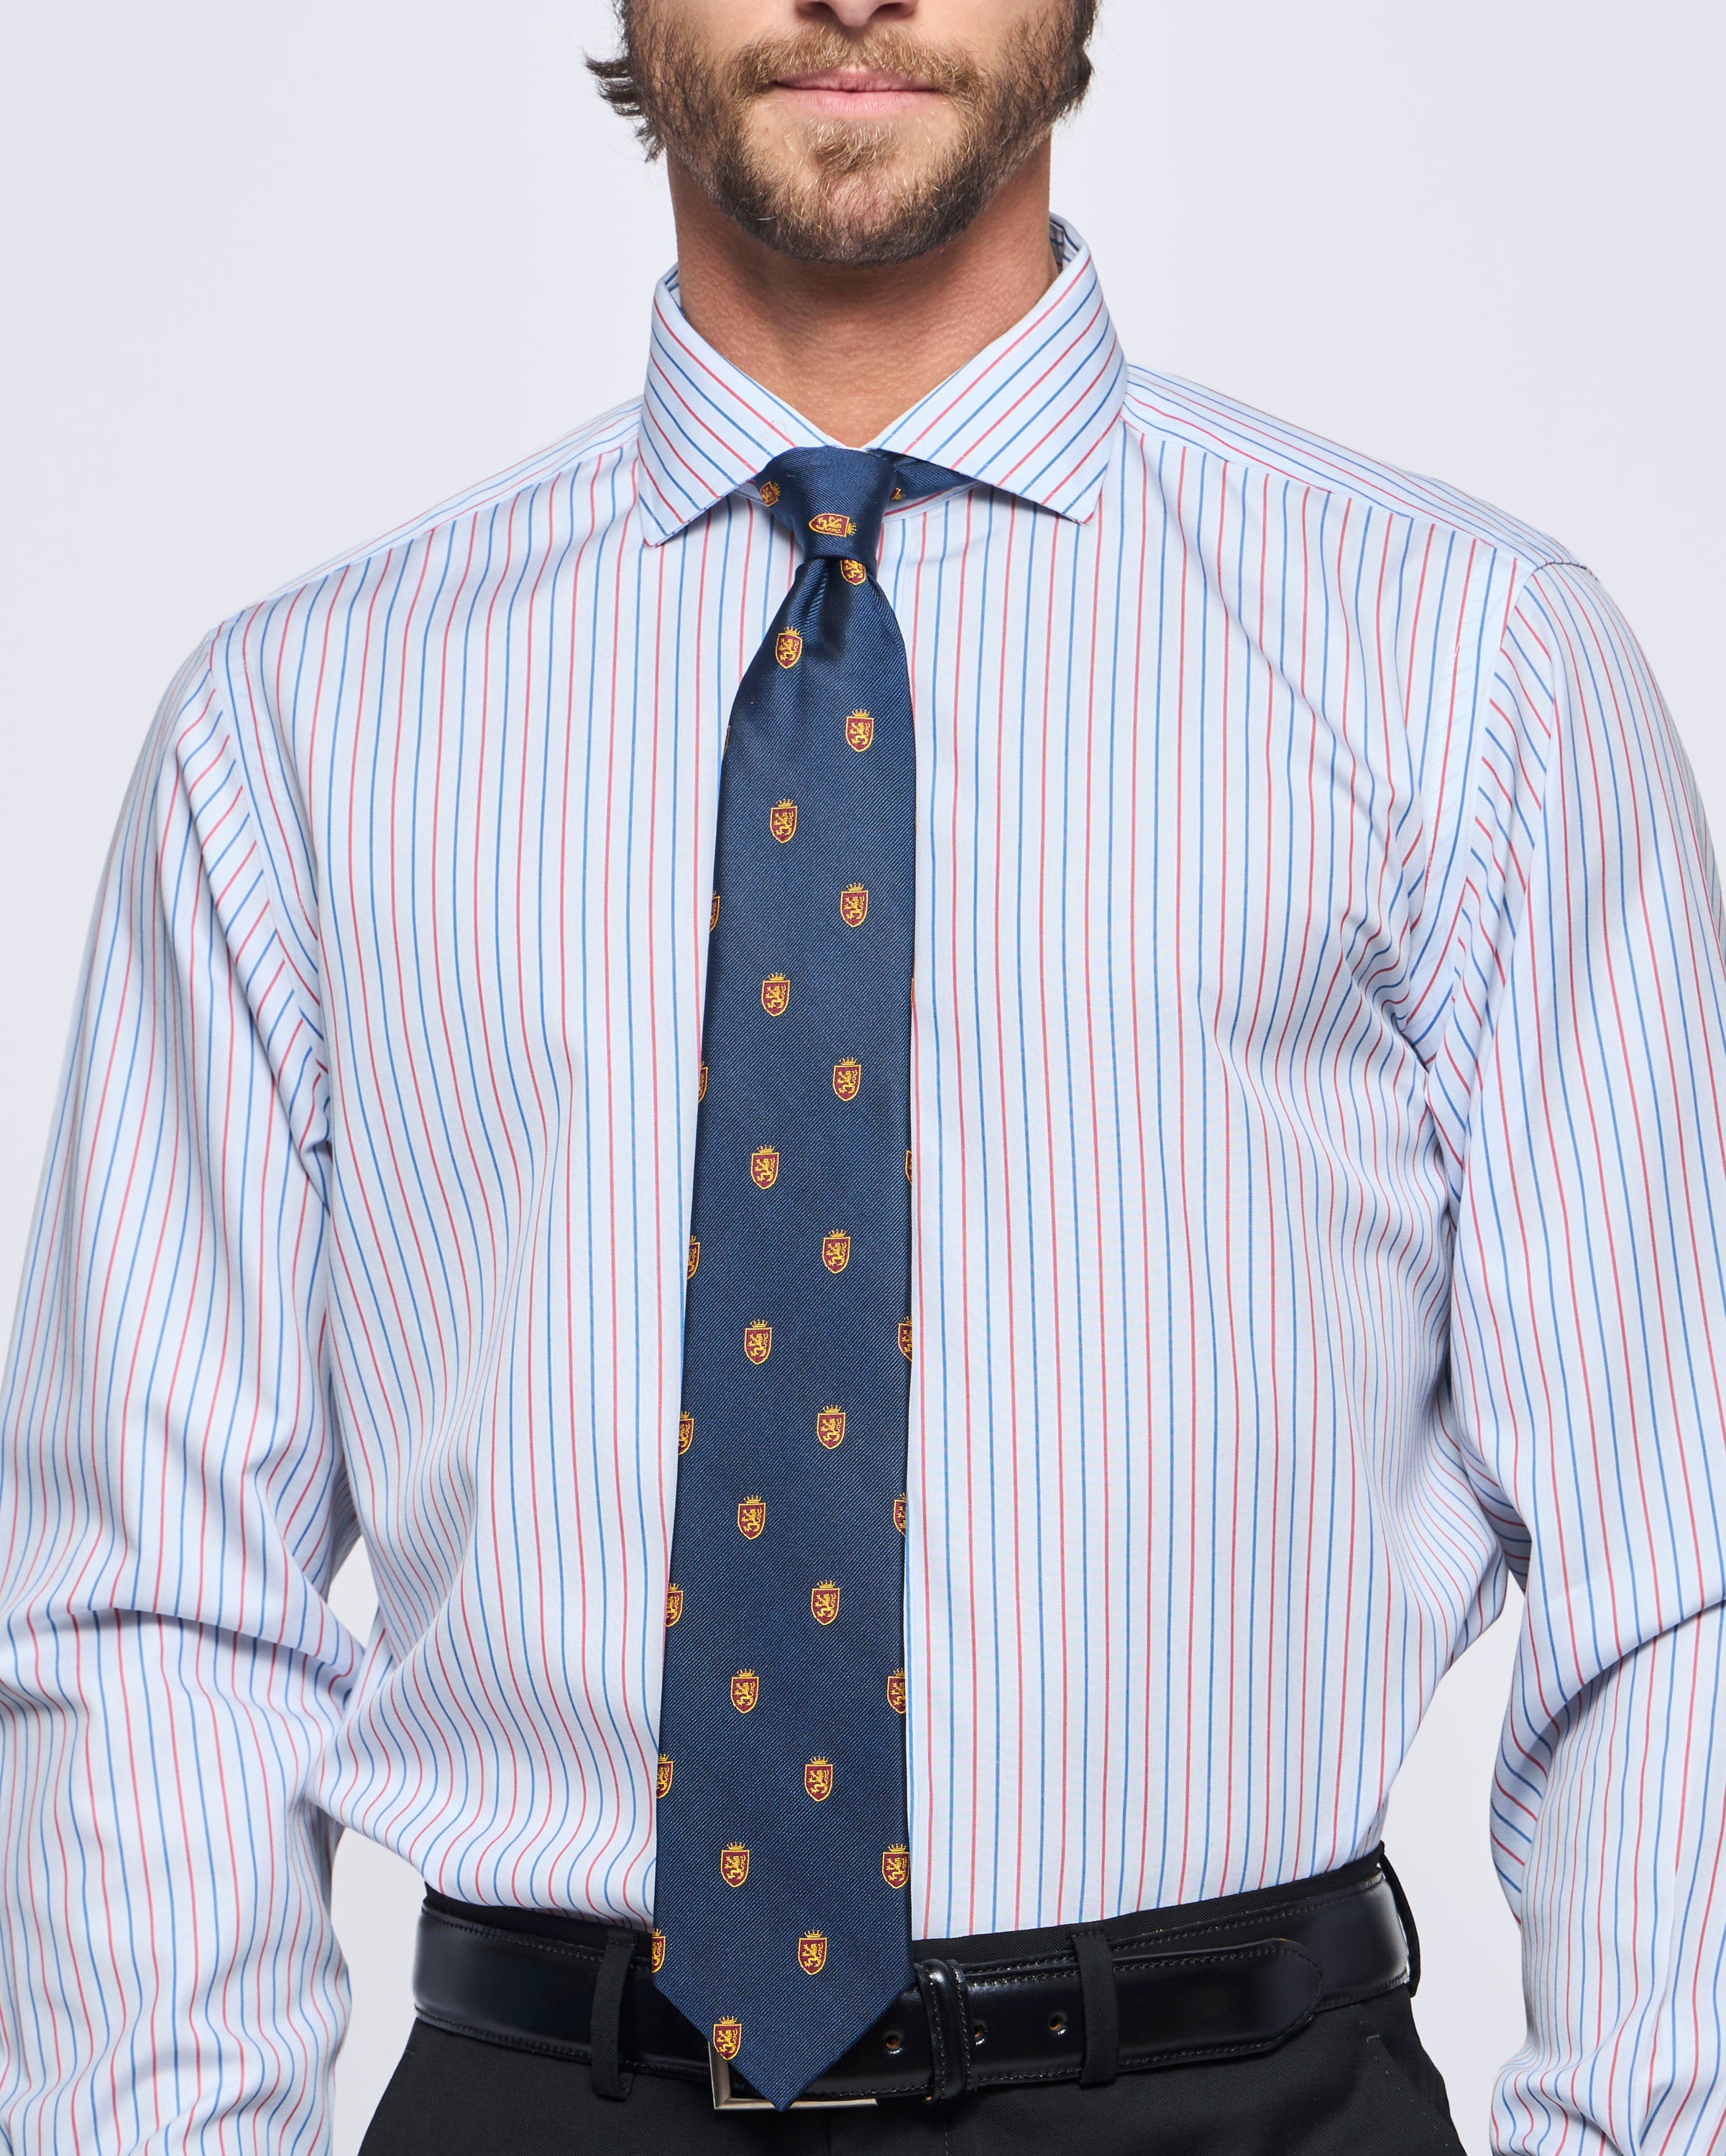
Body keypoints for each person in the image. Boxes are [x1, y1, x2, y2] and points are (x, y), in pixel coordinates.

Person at [1, 0, 1722, 2149]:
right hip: (547, 2096)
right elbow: (158, 1616)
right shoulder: (298, 731)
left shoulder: (1468, 668)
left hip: (1237, 2103)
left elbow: (1674, 1561)